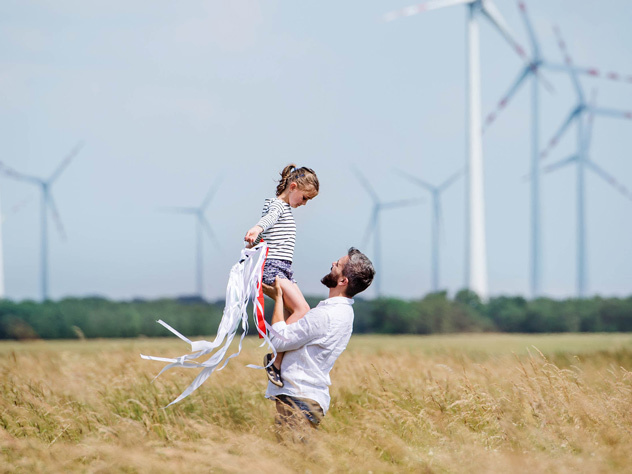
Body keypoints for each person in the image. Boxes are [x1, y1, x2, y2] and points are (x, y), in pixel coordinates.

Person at [263, 247, 375, 438]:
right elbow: (293, 334)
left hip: (299, 398)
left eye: (338, 265)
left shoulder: (325, 315)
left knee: (292, 460)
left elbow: (278, 341)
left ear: (342, 281)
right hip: (305, 397)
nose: (332, 264)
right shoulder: (342, 313)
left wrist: (279, 299)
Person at [244, 164, 319, 387]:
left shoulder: (282, 208)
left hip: (284, 268)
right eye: (304, 198)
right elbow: (267, 220)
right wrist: (257, 228)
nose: (304, 203)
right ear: (293, 187)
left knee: (297, 316)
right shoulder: (277, 205)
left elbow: (268, 233)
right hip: (274, 268)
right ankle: (274, 360)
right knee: (303, 310)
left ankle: (284, 363)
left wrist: (257, 239)